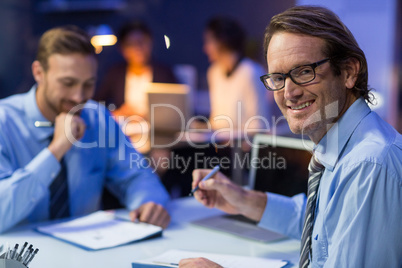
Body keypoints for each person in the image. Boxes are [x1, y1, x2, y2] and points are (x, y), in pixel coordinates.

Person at [180, 6, 402, 268]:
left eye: (304, 72)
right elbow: (317, 224)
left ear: (349, 72)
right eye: (278, 77)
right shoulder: (340, 142)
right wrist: (240, 198)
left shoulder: (367, 164)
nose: (289, 93)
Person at [0, 26, 171, 234]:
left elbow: (137, 176)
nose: (79, 97)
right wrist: (56, 149)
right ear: (38, 72)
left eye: (88, 84)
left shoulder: (98, 118)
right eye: (68, 83)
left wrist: (148, 201)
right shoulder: (4, 122)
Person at [95, 20, 177, 119]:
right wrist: (116, 113)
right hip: (124, 128)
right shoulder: (115, 73)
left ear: (150, 43)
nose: (138, 48)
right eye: (131, 44)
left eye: (141, 42)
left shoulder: (164, 72)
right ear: (122, 49)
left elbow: (177, 107)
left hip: (155, 128)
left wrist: (148, 115)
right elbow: (96, 103)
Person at [203, 17, 271, 131]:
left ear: (222, 41)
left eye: (209, 41)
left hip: (242, 145)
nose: (205, 48)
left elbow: (259, 124)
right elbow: (217, 120)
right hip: (218, 142)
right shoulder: (213, 72)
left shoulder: (251, 72)